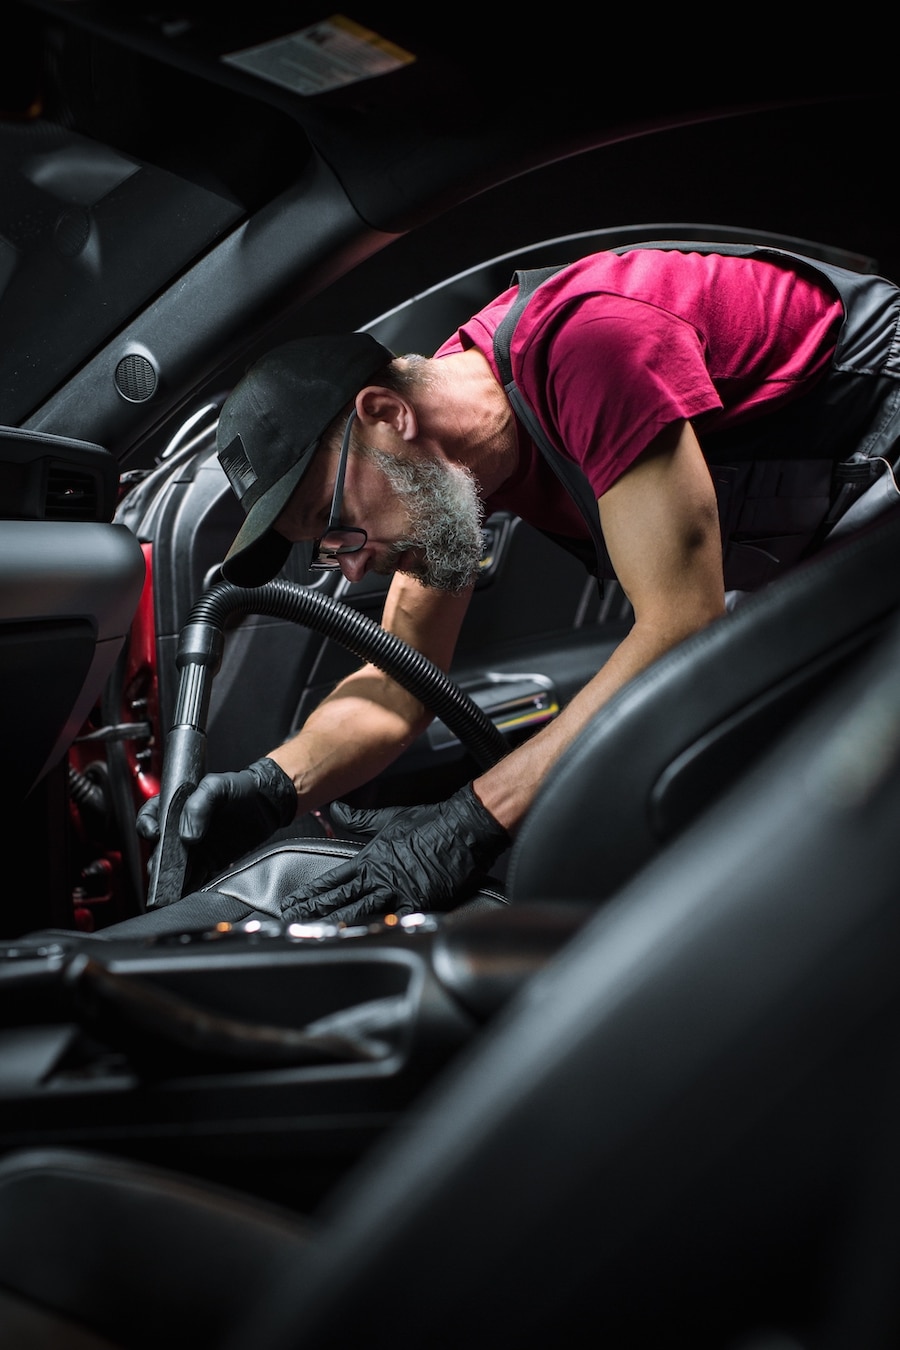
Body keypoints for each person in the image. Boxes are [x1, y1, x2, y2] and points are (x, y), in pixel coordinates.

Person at [137, 240, 900, 923]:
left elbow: (680, 626)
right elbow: (400, 681)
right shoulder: (441, 471)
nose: (353, 562)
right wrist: (272, 787)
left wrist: (471, 819)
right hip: (827, 559)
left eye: (334, 522)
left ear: (386, 413)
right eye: (327, 551)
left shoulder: (590, 344)